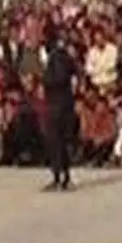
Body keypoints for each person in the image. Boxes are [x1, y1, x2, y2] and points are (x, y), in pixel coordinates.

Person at [41, 30, 78, 191]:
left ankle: (59, 177)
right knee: (61, 143)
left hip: (57, 105)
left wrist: (45, 80)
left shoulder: (56, 58)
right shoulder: (65, 56)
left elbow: (58, 78)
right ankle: (64, 176)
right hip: (64, 104)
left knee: (56, 142)